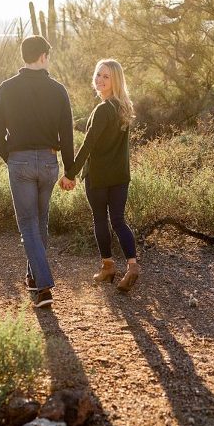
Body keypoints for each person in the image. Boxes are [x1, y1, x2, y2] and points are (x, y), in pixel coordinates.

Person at [0, 35, 75, 308]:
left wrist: (12, 157)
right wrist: (70, 170)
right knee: (40, 222)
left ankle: (43, 287)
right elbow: (68, 135)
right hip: (50, 163)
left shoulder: (7, 88)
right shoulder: (59, 90)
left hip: (20, 162)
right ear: (43, 57)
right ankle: (32, 277)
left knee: (28, 224)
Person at [61, 59, 138, 291]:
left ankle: (108, 265)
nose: (100, 80)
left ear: (116, 80)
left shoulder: (103, 110)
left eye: (106, 76)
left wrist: (70, 174)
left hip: (99, 177)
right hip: (120, 176)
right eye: (98, 75)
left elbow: (88, 144)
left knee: (100, 220)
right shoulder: (124, 108)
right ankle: (132, 266)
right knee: (118, 220)